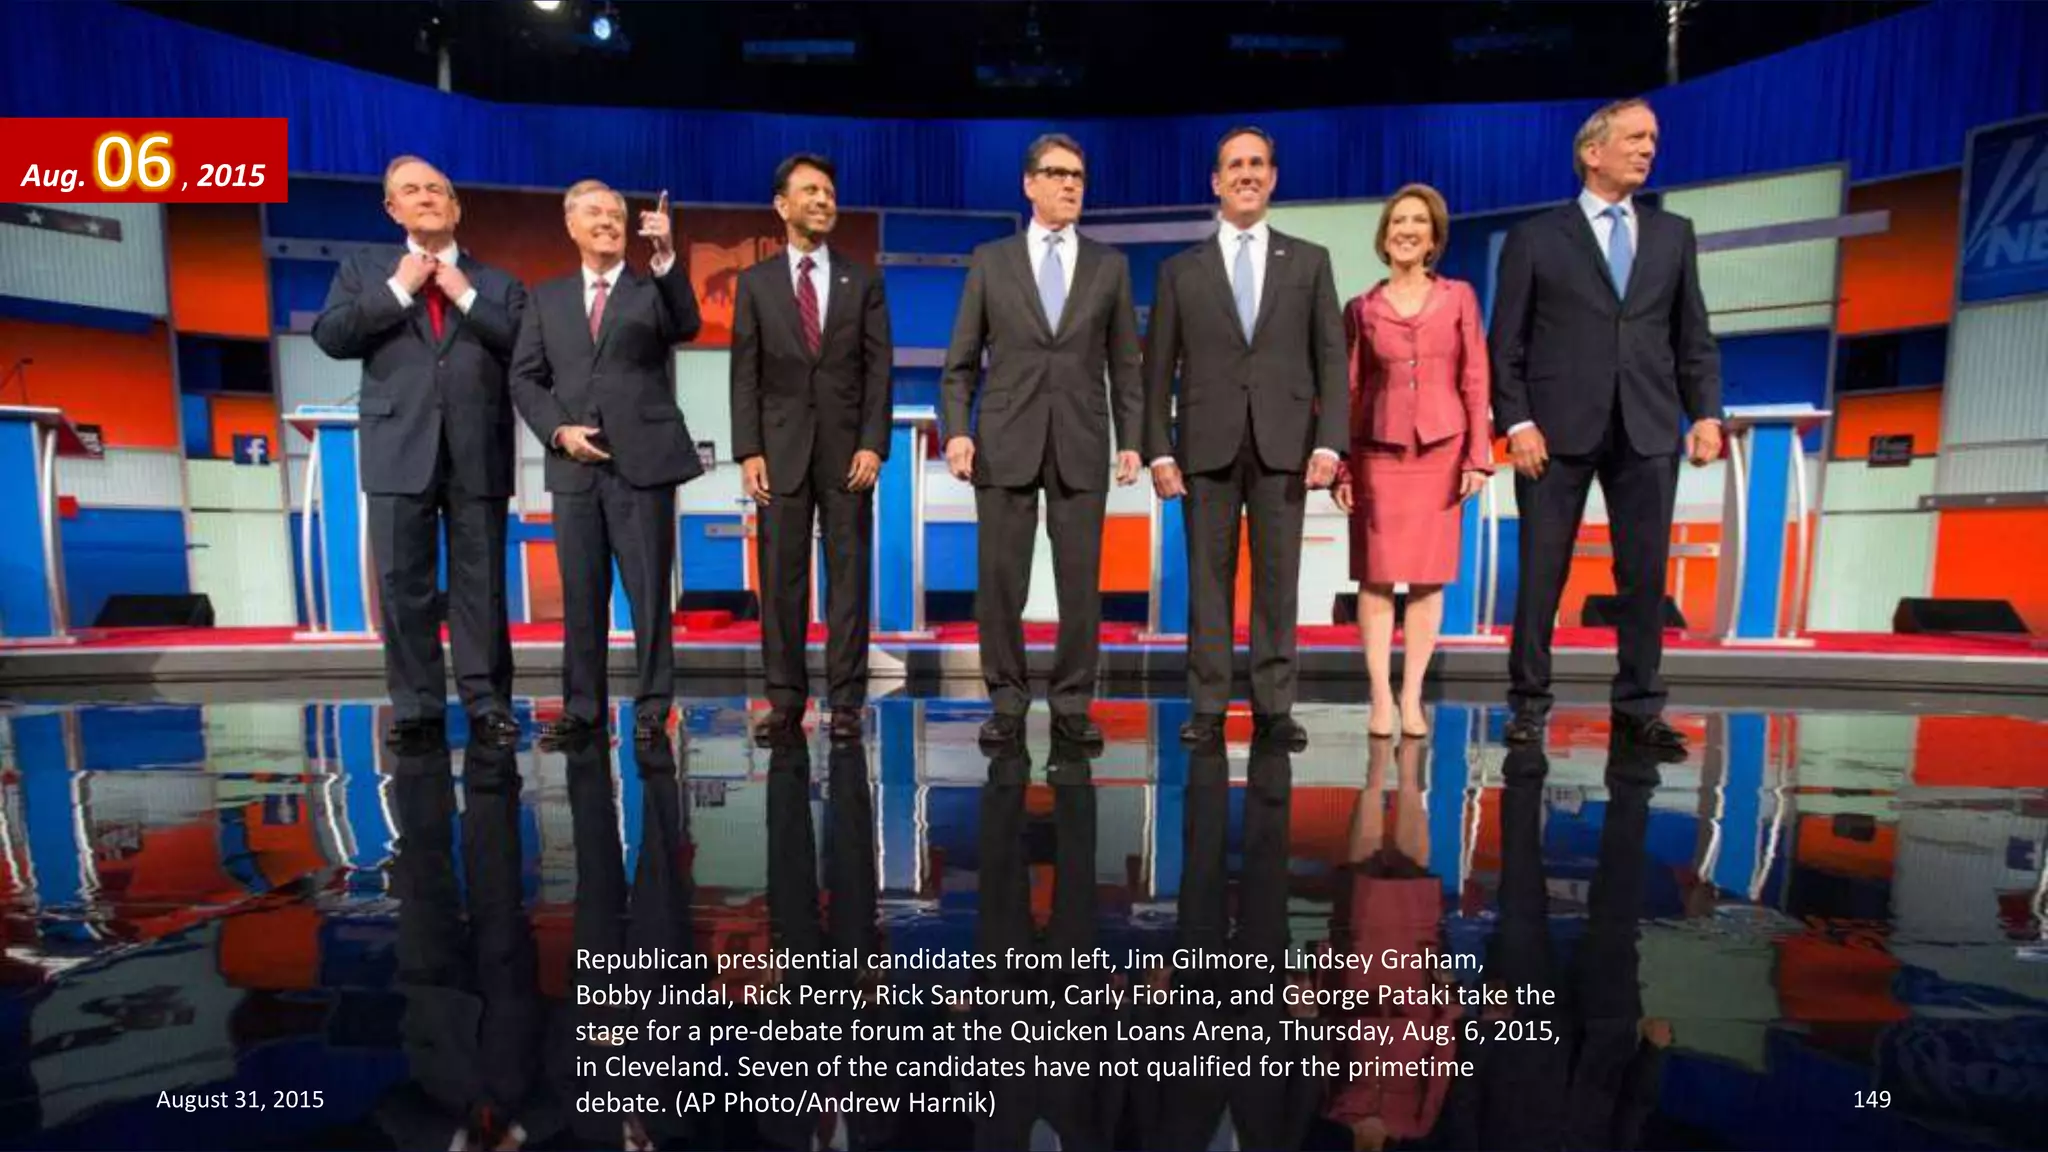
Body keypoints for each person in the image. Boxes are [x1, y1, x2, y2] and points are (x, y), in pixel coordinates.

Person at [1489, 98, 1722, 751]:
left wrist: (1705, 411)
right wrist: (1519, 422)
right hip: (1555, 431)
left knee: (1644, 574)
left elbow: (1692, 335)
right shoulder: (1536, 238)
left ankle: (1639, 707)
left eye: (1653, 138)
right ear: (1593, 152)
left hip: (1648, 425)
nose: (1648, 149)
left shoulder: (1674, 235)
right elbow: (1504, 344)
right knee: (1542, 573)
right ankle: (1529, 705)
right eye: (1635, 138)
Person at [312, 155, 526, 748]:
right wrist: (398, 290)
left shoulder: (498, 283)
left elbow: (525, 348)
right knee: (402, 582)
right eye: (412, 190)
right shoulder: (364, 271)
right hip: (396, 447)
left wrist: (465, 299)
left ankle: (488, 703)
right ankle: (416, 707)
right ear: (392, 208)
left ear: (457, 207)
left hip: (477, 448)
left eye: (437, 188)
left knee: (480, 584)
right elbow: (332, 337)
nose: (427, 196)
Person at [940, 132, 1145, 751]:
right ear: (1029, 184)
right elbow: (961, 361)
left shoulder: (1109, 267)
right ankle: (1005, 701)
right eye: (1057, 174)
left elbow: (1125, 365)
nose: (1070, 185)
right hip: (1004, 437)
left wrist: (1131, 438)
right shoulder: (990, 260)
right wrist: (955, 430)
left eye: (1078, 175)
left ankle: (1073, 704)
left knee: (1081, 582)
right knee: (1001, 580)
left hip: (1081, 438)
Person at [1145, 126, 1348, 750]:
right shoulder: (1181, 270)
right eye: (1235, 165)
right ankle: (1206, 706)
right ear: (1216, 181)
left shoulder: (1309, 261)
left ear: (1273, 176)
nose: (1247, 174)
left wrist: (1329, 443)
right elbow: (1158, 368)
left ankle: (1273, 706)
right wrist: (1158, 446)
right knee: (1207, 581)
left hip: (1286, 443)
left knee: (1278, 580)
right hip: (1205, 444)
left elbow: (1331, 360)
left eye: (1258, 163)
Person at [510, 179, 703, 746]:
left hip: (642, 465)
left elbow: (687, 322)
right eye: (594, 212)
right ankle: (583, 710)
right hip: (574, 468)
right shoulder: (544, 299)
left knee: (647, 594)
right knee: (581, 594)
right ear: (570, 224)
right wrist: (558, 431)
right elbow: (524, 377)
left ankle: (651, 709)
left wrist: (667, 256)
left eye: (616, 214)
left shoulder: (652, 292)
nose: (607, 221)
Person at [731, 153, 893, 747]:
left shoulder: (863, 279)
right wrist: (748, 451)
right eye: (811, 191)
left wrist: (874, 443)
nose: (824, 200)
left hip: (849, 454)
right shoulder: (756, 283)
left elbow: (880, 369)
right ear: (782, 205)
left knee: (848, 580)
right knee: (782, 582)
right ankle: (784, 701)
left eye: (829, 190)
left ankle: (846, 701)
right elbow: (743, 374)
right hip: (780, 454)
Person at [1332, 185, 1493, 740]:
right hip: (1377, 452)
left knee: (1427, 578)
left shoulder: (1459, 298)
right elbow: (1348, 389)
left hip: (1442, 450)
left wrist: (1479, 455)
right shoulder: (1361, 308)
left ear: (1433, 236)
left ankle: (1411, 696)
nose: (1406, 229)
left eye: (1418, 222)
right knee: (1375, 577)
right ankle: (1379, 696)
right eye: (1398, 220)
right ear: (1384, 234)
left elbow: (1475, 378)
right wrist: (1345, 467)